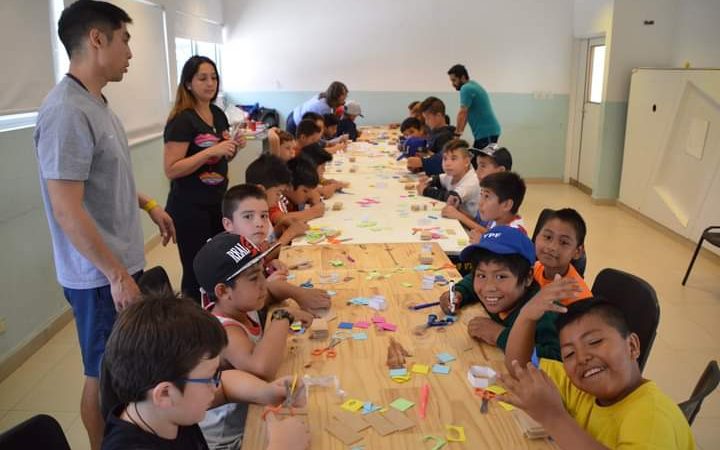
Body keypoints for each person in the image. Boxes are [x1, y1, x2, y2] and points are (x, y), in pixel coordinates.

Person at [34, 2, 175, 448]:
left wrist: (150, 204)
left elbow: (103, 180)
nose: (131, 52)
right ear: (97, 39)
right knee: (100, 373)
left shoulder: (97, 104)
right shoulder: (65, 112)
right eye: (125, 39)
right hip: (97, 275)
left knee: (117, 371)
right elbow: (66, 208)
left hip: (116, 265)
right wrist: (115, 274)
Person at [100, 293, 310, 450]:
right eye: (209, 378)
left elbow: (226, 385)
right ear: (164, 393)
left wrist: (266, 392)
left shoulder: (166, 410)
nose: (215, 386)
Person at [500, 298, 695, 449]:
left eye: (594, 342)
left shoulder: (653, 420)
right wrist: (526, 316)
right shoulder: (583, 386)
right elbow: (521, 368)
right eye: (569, 353)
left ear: (632, 346)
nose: (582, 358)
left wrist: (553, 416)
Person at [192, 232, 312, 449]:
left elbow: (272, 292)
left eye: (262, 273)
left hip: (252, 411)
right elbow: (261, 369)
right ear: (223, 291)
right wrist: (283, 316)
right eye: (254, 278)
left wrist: (297, 294)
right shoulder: (223, 331)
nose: (263, 284)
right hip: (231, 439)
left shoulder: (242, 304)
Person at [163, 55, 246, 302]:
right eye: (202, 78)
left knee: (221, 264)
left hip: (217, 202)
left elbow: (218, 162)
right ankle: (192, 325)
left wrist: (232, 148)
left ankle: (219, 316)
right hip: (189, 207)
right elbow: (172, 169)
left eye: (214, 77)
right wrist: (211, 150)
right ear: (188, 83)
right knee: (195, 270)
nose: (210, 83)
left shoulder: (217, 114)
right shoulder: (182, 120)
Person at [442, 227, 581, 359]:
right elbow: (470, 281)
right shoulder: (500, 294)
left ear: (527, 278)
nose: (488, 287)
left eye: (501, 277)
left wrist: (499, 335)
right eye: (482, 275)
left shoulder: (544, 315)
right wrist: (458, 293)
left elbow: (558, 357)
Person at [221, 184, 331, 313]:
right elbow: (253, 303)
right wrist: (274, 286)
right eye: (248, 217)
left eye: (263, 216)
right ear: (228, 224)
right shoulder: (230, 256)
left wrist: (268, 266)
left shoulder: (249, 245)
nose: (259, 223)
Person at [533, 208, 592, 305]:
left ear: (577, 252)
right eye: (548, 237)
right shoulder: (536, 267)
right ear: (536, 236)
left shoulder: (578, 298)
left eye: (564, 242)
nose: (552, 247)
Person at [417, 139, 480, 218]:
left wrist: (425, 191)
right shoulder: (452, 174)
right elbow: (437, 179)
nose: (447, 163)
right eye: (445, 158)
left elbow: (451, 198)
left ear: (466, 162)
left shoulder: (472, 181)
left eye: (453, 159)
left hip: (467, 226)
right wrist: (428, 181)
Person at [447, 64, 501, 148]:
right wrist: (459, 133)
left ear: (462, 77)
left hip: (486, 133)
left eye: (454, 80)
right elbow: (465, 114)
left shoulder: (466, 88)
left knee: (481, 160)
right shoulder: (473, 84)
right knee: (476, 159)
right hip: (488, 132)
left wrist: (456, 135)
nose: (453, 84)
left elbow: (462, 112)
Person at [468, 171, 527, 243]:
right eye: (481, 195)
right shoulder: (497, 220)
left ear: (506, 205)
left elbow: (499, 252)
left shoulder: (515, 235)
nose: (480, 203)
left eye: (487, 196)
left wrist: (482, 243)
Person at [406, 96, 456, 175]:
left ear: (439, 116)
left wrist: (422, 163)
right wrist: (420, 167)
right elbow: (431, 154)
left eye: (428, 118)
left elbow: (444, 161)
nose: (426, 122)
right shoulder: (434, 132)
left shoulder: (446, 136)